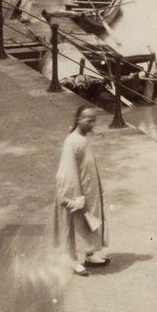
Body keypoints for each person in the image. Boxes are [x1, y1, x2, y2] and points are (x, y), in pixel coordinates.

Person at [54, 105, 108, 276]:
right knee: (76, 225)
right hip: (78, 189)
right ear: (79, 119)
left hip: (89, 188)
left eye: (94, 120)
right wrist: (75, 195)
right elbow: (68, 170)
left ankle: (89, 255)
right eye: (89, 120)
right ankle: (73, 260)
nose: (92, 124)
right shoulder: (72, 141)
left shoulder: (82, 139)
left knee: (89, 223)